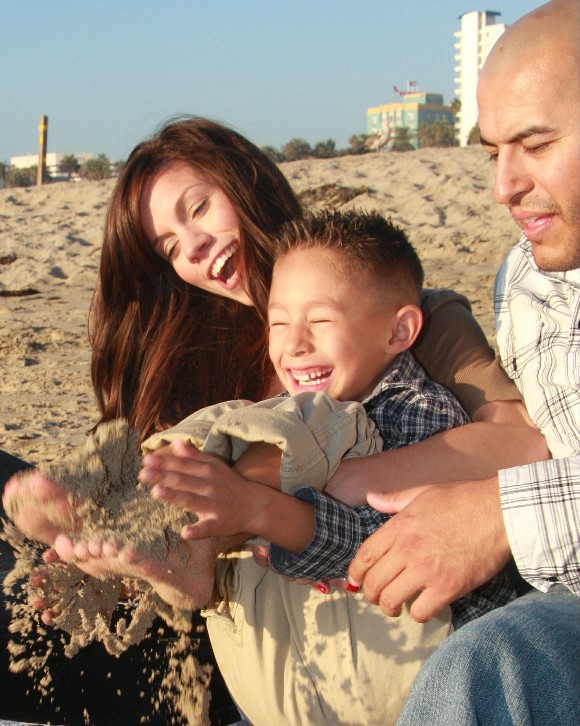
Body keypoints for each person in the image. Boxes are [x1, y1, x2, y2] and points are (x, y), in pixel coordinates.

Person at [1, 116, 547, 724]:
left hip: (352, 643)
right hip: (233, 641)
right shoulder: (189, 362)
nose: (196, 246)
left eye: (200, 208)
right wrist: (106, 578)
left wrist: (311, 481)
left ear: (248, 183)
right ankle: (143, 522)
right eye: (171, 248)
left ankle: (156, 518)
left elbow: (520, 443)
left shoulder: (402, 316)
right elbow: (166, 580)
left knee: (277, 432)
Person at [344, 1, 580, 724]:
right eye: (492, 151)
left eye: (535, 144)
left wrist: (501, 515)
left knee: (483, 667)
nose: (503, 185)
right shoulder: (527, 280)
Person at [139, 209, 515, 629]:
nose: (295, 344)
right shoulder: (299, 404)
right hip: (324, 669)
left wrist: (263, 512)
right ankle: (137, 505)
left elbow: (380, 547)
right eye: (279, 323)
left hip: (441, 653)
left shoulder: (420, 411)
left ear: (399, 331)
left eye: (320, 321)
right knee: (231, 421)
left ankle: (182, 541)